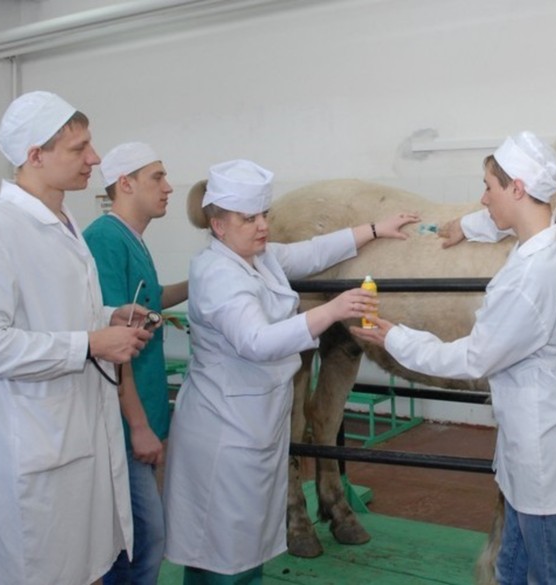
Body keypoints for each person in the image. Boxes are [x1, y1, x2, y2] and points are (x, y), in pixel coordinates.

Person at [351, 131, 556, 585]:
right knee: (514, 561)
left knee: (550, 570)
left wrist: (395, 338)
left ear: (518, 188)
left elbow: (472, 359)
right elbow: (512, 222)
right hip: (547, 421)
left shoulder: (532, 280)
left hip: (539, 438)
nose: (482, 198)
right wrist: (468, 226)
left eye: (489, 187)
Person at [162, 159, 419, 584]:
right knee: (222, 554)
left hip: (256, 422)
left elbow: (315, 251)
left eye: (263, 215)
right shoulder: (218, 274)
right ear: (219, 226)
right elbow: (257, 342)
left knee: (245, 552)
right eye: (249, 218)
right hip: (224, 432)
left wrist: (374, 229)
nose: (262, 225)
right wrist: (333, 310)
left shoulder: (259, 258)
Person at [0, 91, 154, 585]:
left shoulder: (63, 223)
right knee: (42, 569)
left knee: (86, 566)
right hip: (34, 443)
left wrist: (109, 315)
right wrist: (89, 343)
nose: (95, 158)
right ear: (34, 156)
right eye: (79, 148)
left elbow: (47, 310)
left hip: (76, 433)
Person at [84, 142, 189, 585]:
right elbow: (113, 343)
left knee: (139, 539)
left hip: (140, 413)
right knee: (144, 540)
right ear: (124, 184)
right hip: (125, 422)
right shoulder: (104, 240)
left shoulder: (132, 239)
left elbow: (149, 301)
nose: (168, 188)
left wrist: (202, 277)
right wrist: (139, 426)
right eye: (157, 178)